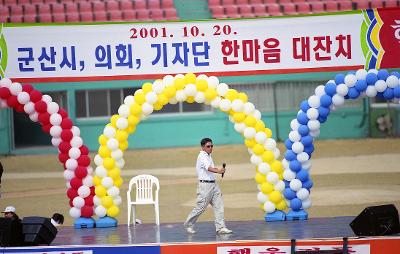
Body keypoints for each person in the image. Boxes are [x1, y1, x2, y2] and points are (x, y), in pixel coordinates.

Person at [183, 138, 232, 235]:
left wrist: (219, 170)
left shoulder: (208, 156)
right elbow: (208, 168)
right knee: (201, 207)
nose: (210, 148)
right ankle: (188, 224)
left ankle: (221, 227)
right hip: (205, 186)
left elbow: (211, 168)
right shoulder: (202, 156)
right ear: (203, 147)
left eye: (212, 146)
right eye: (208, 146)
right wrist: (219, 171)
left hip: (213, 184)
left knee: (219, 205)